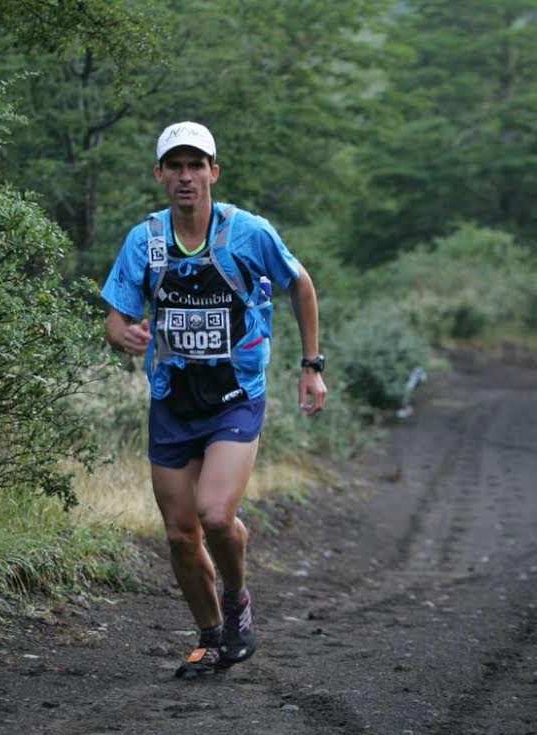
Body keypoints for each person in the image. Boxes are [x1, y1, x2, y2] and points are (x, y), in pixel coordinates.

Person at [100, 121, 327, 677]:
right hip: (173, 398)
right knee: (180, 534)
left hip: (234, 395)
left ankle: (238, 600)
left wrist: (310, 366)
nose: (185, 176)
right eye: (174, 166)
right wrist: (123, 335)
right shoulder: (145, 240)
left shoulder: (248, 233)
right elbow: (115, 314)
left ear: (213, 173)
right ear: (159, 175)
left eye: (195, 165)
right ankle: (208, 637)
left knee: (215, 516)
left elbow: (299, 283)